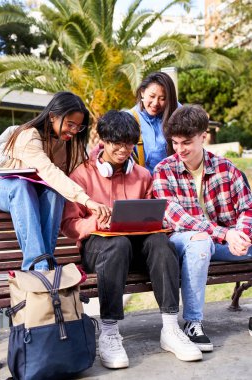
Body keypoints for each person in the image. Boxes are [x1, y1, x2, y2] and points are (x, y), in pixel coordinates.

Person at [61, 110, 202, 369]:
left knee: (162, 244)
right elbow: (69, 226)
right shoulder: (81, 175)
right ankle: (110, 332)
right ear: (103, 140)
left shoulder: (142, 175)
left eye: (129, 144)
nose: (124, 150)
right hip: (100, 250)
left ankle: (170, 329)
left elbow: (154, 212)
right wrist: (95, 222)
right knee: (117, 243)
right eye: (117, 143)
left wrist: (158, 223)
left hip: (137, 248)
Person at [153, 104, 252, 353]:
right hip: (184, 242)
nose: (179, 149)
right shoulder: (164, 170)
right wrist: (224, 233)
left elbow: (247, 208)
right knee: (200, 240)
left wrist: (242, 236)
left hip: (225, 242)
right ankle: (193, 323)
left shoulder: (227, 169)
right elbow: (178, 218)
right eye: (175, 143)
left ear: (203, 136)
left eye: (186, 142)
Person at [0, 91, 110, 271]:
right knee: (21, 186)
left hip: (31, 192)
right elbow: (49, 172)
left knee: (54, 191)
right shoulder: (28, 136)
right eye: (70, 124)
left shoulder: (67, 143)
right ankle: (38, 266)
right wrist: (87, 201)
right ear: (52, 117)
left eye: (79, 127)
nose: (74, 131)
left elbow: (81, 169)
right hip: (6, 188)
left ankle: (46, 261)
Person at [128, 71, 179, 174]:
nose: (155, 103)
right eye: (152, 96)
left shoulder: (177, 112)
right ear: (142, 92)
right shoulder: (128, 118)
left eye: (163, 98)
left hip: (173, 182)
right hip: (143, 185)